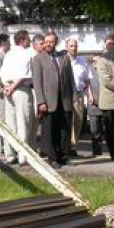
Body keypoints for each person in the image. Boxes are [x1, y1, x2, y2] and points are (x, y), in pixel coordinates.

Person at [32, 31, 74, 167]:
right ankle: (52, 158)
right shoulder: (38, 59)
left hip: (64, 99)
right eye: (47, 42)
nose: (49, 44)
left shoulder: (64, 57)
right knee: (50, 131)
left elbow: (70, 79)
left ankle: (64, 156)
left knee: (64, 129)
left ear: (56, 42)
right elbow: (37, 82)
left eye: (52, 41)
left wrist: (72, 97)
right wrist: (41, 102)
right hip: (48, 100)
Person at [1, 30, 34, 165]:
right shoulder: (25, 54)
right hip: (20, 89)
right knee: (23, 122)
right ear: (22, 40)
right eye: (28, 39)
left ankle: (10, 154)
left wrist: (7, 87)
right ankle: (22, 155)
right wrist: (13, 87)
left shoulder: (9, 54)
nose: (30, 41)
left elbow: (3, 73)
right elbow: (23, 74)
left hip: (8, 89)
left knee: (10, 123)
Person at [65, 37, 91, 157]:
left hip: (79, 94)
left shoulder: (82, 61)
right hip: (66, 94)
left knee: (78, 121)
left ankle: (73, 147)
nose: (74, 48)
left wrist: (90, 94)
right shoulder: (63, 60)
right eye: (71, 46)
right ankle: (65, 147)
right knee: (67, 121)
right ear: (66, 47)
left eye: (75, 46)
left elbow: (87, 79)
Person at [87, 56, 104, 157]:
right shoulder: (89, 72)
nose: (96, 63)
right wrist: (90, 95)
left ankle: (111, 151)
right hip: (93, 106)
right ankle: (96, 152)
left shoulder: (105, 72)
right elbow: (86, 85)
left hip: (105, 105)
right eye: (94, 61)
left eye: (98, 61)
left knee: (105, 129)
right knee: (94, 130)